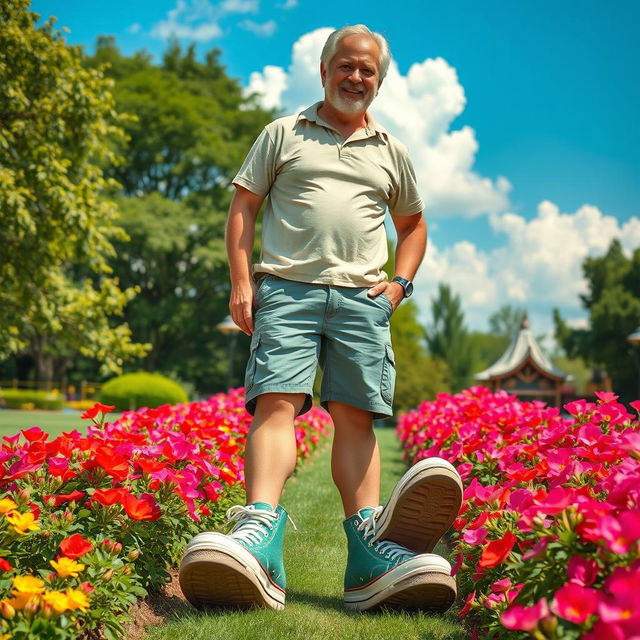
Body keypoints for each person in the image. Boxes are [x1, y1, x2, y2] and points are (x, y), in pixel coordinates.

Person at [179, 24, 463, 613]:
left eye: (367, 70)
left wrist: (399, 285)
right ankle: (259, 536)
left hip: (363, 299)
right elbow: (243, 207)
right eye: (345, 65)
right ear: (324, 68)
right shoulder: (283, 133)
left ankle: (366, 556)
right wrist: (240, 280)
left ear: (379, 81)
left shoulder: (392, 151)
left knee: (357, 418)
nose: (355, 76)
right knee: (275, 402)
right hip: (286, 289)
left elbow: (412, 226)